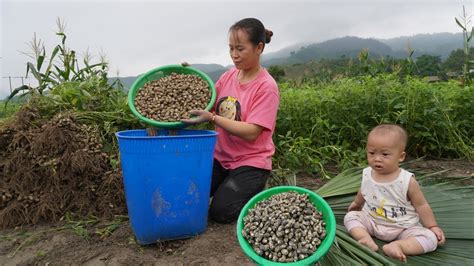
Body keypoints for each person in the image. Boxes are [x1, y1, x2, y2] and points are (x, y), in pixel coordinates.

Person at [181, 18, 280, 223]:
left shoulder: (266, 87)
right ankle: (229, 183)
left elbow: (252, 131)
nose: (234, 55)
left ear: (259, 47)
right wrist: (190, 78)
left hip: (251, 162)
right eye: (231, 48)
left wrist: (213, 118)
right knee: (188, 192)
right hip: (221, 157)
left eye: (240, 49)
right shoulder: (229, 76)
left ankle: (253, 190)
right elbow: (206, 98)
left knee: (221, 212)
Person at [344, 124, 445, 262]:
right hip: (373, 221)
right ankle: (365, 239)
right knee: (351, 217)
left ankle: (398, 246)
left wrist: (432, 226)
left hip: (403, 228)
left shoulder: (407, 180)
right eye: (372, 153)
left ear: (401, 156)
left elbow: (421, 205)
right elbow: (364, 189)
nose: (377, 158)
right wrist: (357, 203)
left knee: (430, 239)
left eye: (385, 154)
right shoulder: (367, 173)